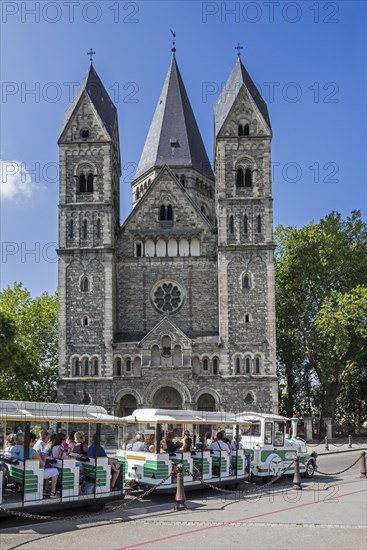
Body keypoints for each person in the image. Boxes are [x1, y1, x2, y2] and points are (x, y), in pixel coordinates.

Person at [19, 432, 59, 498]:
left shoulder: (22, 450)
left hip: (27, 472)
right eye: (34, 441)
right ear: (31, 440)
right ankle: (53, 492)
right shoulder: (32, 451)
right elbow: (42, 463)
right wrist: (45, 458)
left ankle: (45, 489)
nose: (35, 442)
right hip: (36, 473)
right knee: (55, 471)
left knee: (49, 469)